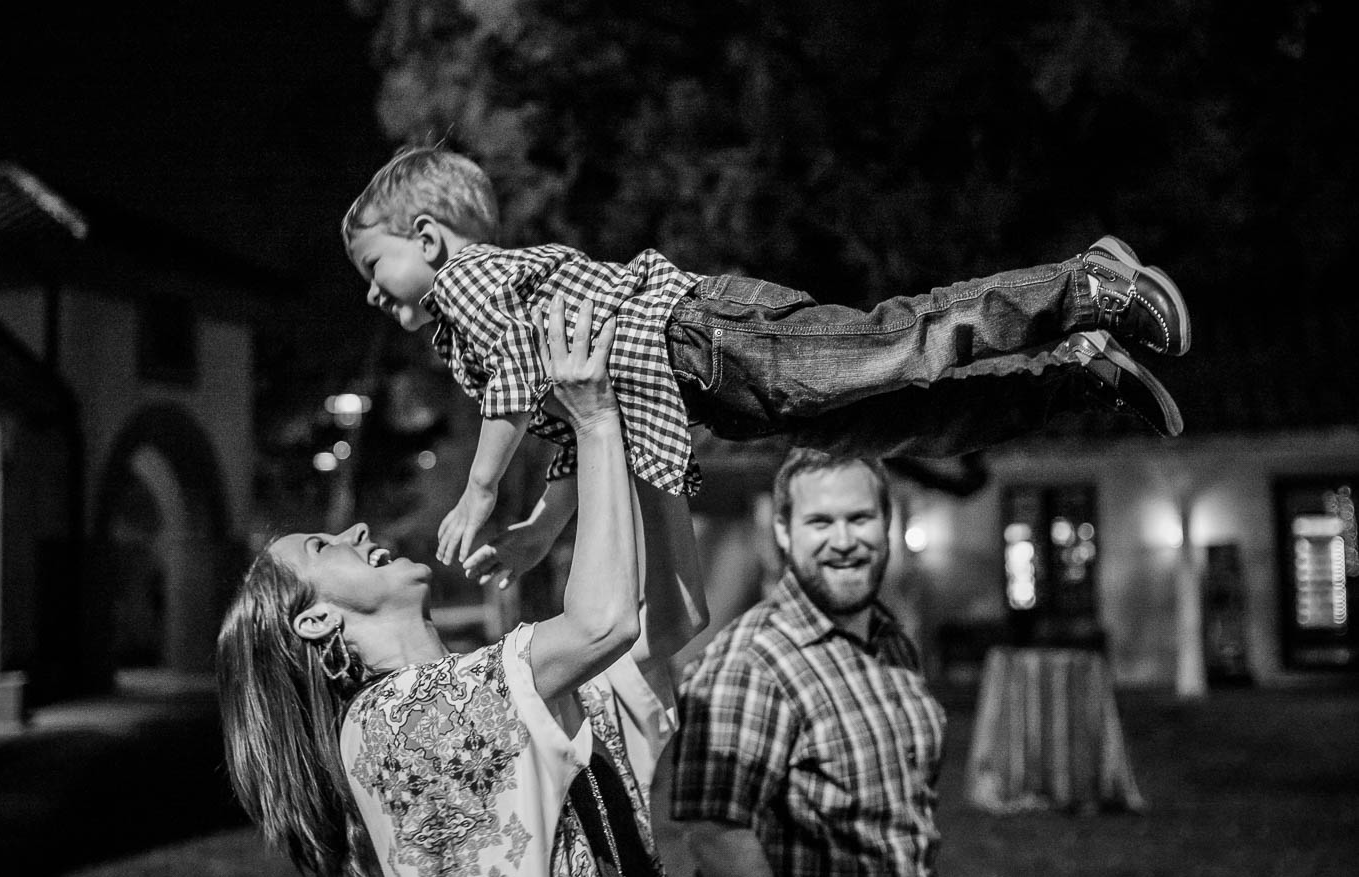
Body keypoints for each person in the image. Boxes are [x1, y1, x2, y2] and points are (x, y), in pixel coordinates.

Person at [341, 145, 1191, 579]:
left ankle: (1085, 288)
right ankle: (1079, 376)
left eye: (375, 270)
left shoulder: (474, 280)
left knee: (901, 340)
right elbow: (570, 434)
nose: (375, 295)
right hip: (722, 398)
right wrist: (537, 535)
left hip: (714, 339)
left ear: (425, 239)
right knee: (913, 425)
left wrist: (483, 491)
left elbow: (516, 383)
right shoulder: (471, 337)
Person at [216, 298, 710, 877]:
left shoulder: (496, 696)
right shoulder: (392, 724)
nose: (355, 529)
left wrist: (653, 420)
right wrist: (597, 421)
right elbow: (604, 625)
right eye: (324, 547)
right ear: (317, 622)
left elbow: (669, 618)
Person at [670, 447, 945, 877]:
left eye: (859, 518)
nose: (843, 540)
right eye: (820, 522)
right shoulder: (752, 660)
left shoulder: (890, 642)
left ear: (887, 523)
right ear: (782, 531)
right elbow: (715, 833)